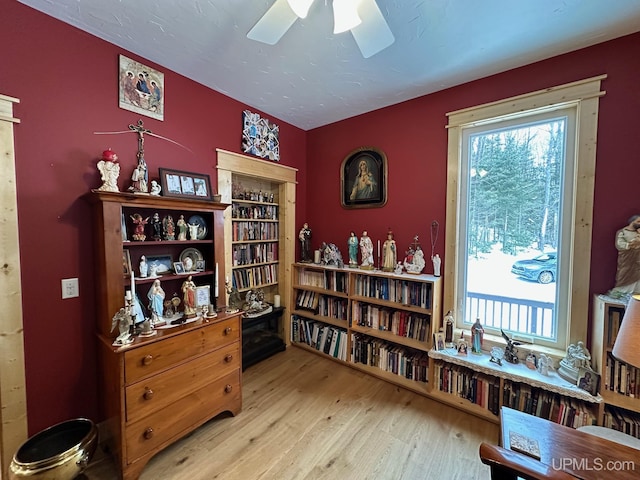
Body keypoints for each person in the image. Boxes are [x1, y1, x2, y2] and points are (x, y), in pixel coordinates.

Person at [609, 214, 640, 298]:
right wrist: (630, 245)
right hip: (627, 258)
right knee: (624, 273)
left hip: (638, 258)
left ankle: (636, 291)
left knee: (638, 273)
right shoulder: (622, 232)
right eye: (638, 221)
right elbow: (620, 244)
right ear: (632, 222)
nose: (639, 223)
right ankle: (620, 291)